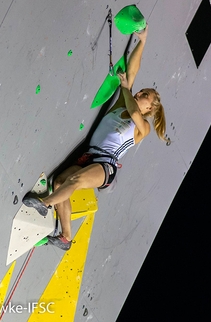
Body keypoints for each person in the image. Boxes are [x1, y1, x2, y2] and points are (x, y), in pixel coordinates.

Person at [22, 25, 167, 250]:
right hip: (90, 156)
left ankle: (45, 204)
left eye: (144, 95)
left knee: (75, 181)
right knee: (60, 181)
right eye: (141, 91)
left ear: (149, 107)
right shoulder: (122, 102)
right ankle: (66, 237)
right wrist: (143, 42)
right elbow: (132, 70)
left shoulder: (142, 127)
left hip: (105, 165)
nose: (139, 93)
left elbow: (135, 111)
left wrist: (127, 89)